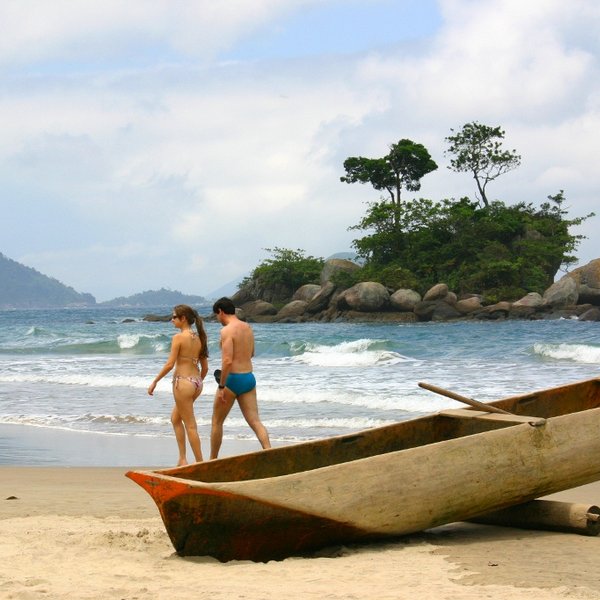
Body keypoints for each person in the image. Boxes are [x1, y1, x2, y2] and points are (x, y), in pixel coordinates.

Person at [148, 304, 209, 465]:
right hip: (196, 383)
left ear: (183, 319)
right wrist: (197, 383)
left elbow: (169, 364)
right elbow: (205, 368)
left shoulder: (178, 337)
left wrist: (155, 381)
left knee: (190, 426)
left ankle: (200, 464)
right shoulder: (199, 338)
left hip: (183, 383)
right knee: (175, 419)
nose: (172, 320)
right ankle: (182, 458)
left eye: (174, 317)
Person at [210, 297, 271, 459]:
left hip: (232, 380)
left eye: (217, 315)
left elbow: (227, 361)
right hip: (249, 378)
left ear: (221, 312)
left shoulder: (226, 331)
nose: (218, 319)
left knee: (217, 422)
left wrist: (221, 386)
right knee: (256, 422)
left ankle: (212, 460)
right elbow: (251, 353)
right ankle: (269, 452)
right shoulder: (248, 328)